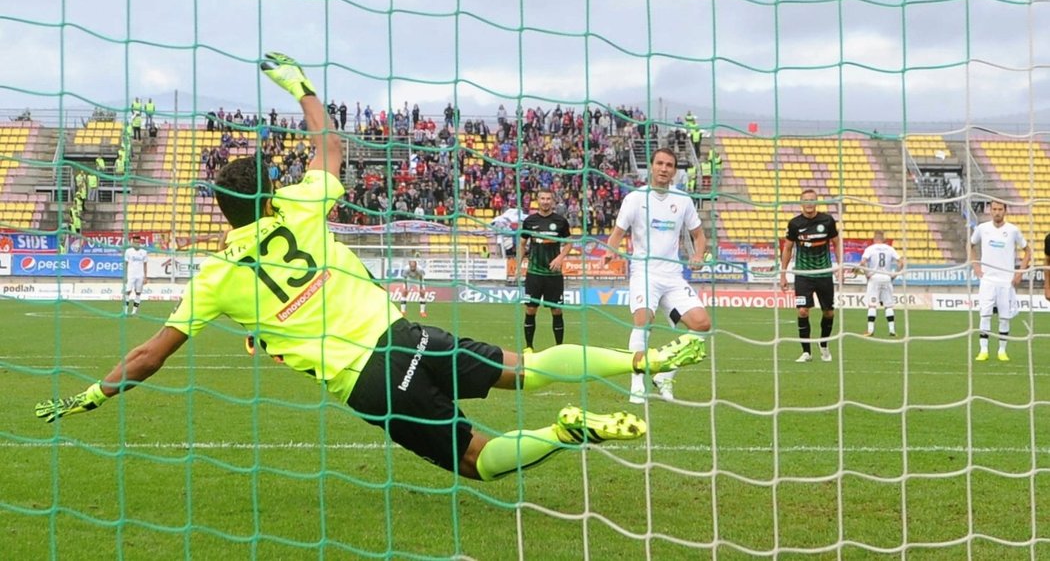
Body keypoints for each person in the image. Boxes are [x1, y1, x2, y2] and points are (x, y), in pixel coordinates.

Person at [35, 52, 706, 483]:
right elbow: (329, 146)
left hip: (368, 380)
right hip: (408, 335)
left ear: (224, 212)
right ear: (270, 194)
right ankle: (638, 363)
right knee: (521, 367)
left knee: (478, 462)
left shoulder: (213, 276)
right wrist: (299, 86)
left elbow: (151, 356)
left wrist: (93, 393)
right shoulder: (299, 206)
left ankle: (564, 433)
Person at [602, 148, 710, 403]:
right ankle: (637, 384)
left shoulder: (682, 199)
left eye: (669, 165)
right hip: (644, 272)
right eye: (659, 163)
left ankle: (665, 373)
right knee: (643, 321)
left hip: (673, 276)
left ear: (674, 170)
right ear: (651, 167)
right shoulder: (635, 198)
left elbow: (699, 235)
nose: (664, 168)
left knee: (702, 325)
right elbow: (618, 232)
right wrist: (610, 252)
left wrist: (697, 256)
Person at [779, 189, 843, 363]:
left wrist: (840, 266)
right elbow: (788, 248)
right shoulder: (794, 224)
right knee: (802, 311)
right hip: (803, 274)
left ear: (817, 202)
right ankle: (806, 351)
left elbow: (837, 243)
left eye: (812, 200)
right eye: (806, 200)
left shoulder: (827, 220)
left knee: (829, 312)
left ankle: (824, 344)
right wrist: (783, 274)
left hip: (823, 273)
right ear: (801, 203)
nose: (809, 203)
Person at [970, 201, 1030, 362]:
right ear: (990, 211)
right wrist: (975, 266)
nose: (997, 212)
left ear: (1005, 211)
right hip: (987, 280)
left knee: (1004, 317)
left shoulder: (1012, 230)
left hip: (1006, 281)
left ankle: (1002, 351)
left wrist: (1020, 272)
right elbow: (970, 245)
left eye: (1000, 209)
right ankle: (983, 350)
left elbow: (1028, 251)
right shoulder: (982, 228)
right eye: (994, 209)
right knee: (985, 314)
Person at [516, 188, 571, 352]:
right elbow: (522, 244)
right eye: (542, 198)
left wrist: (560, 258)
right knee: (531, 309)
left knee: (556, 310)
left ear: (552, 201)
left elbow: (569, 243)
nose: (545, 201)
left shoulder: (561, 221)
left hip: (553, 275)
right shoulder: (529, 221)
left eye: (548, 198)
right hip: (534, 274)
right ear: (537, 200)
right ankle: (529, 347)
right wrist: (518, 267)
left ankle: (559, 349)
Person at [855, 231, 904, 337]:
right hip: (886, 277)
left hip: (874, 277)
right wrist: (895, 274)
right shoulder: (890, 249)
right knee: (888, 305)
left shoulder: (870, 249)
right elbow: (901, 262)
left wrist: (867, 274)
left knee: (872, 305)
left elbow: (863, 263)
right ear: (883, 239)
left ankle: (870, 330)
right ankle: (892, 330)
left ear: (874, 239)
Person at [123, 236, 149, 315]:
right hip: (131, 274)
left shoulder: (144, 252)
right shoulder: (128, 251)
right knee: (128, 291)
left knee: (138, 293)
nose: (137, 244)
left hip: (140, 275)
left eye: (138, 242)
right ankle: (125, 310)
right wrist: (125, 275)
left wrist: (145, 277)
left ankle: (134, 311)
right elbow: (126, 264)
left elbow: (145, 265)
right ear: (132, 243)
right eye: (135, 242)